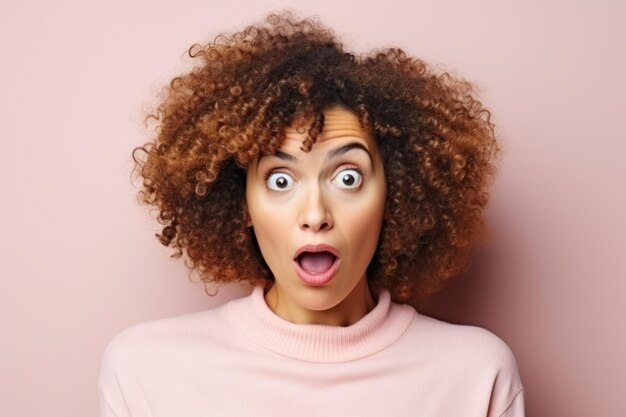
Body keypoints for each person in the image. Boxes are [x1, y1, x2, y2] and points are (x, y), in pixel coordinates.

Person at [98, 12, 524, 417]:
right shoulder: (146, 370)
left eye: (348, 179)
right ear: (241, 203)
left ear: (393, 196)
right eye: (281, 181)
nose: (316, 214)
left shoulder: (475, 375)